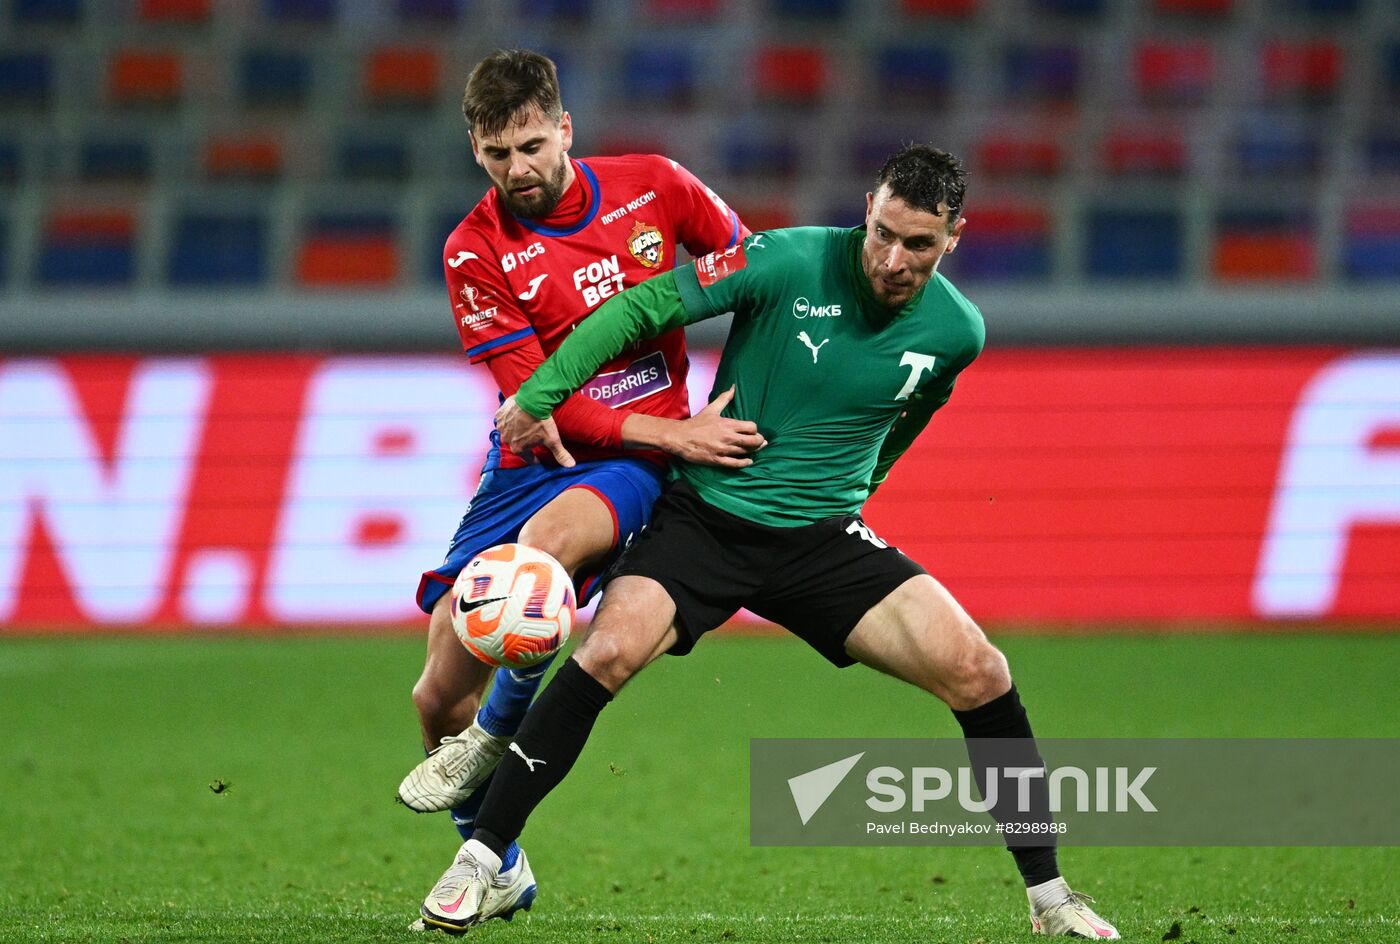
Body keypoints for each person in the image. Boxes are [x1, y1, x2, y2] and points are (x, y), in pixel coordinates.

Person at [430, 145, 1121, 938]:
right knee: (605, 654)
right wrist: (540, 393)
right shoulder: (784, 258)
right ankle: (480, 863)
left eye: (919, 245)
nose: (893, 260)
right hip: (705, 522)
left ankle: (1050, 900)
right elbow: (640, 309)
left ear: (955, 237)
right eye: (883, 233)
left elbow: (908, 414)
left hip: (821, 543)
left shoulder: (959, 331)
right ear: (868, 207)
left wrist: (856, 490)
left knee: (981, 670)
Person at [399, 49, 760, 932]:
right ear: (476, 151)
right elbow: (541, 413)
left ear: (565, 129)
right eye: (496, 155)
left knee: (541, 555)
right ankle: (501, 862)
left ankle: (494, 741)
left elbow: (758, 276)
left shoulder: (655, 187)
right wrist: (674, 428)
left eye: (531, 145)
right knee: (434, 696)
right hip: (531, 464)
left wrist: (728, 398)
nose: (518, 170)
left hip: (631, 467)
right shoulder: (473, 251)